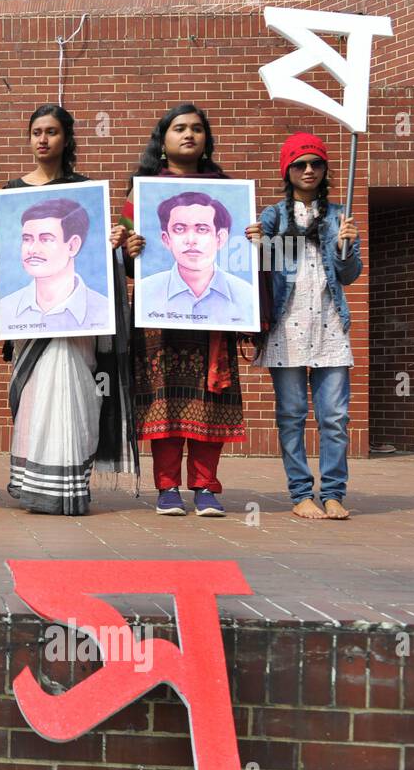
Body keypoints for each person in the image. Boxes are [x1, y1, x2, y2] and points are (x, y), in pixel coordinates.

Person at [2, 104, 137, 515]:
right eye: (36, 131)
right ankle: (33, 487)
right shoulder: (12, 192)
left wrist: (114, 244)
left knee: (74, 395)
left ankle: (69, 488)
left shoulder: (85, 192)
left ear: (66, 139)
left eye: (52, 132)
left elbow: (100, 260)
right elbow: (13, 260)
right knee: (36, 397)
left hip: (79, 324)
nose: (43, 139)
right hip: (29, 321)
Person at [119, 103, 244, 517]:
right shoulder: (141, 191)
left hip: (215, 317)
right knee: (165, 398)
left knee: (212, 396)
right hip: (160, 317)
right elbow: (129, 262)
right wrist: (129, 251)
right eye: (179, 128)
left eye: (196, 129)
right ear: (163, 139)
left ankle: (206, 487)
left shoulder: (226, 189)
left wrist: (253, 238)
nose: (188, 135)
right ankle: (167, 487)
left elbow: (241, 254)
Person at [245, 133, 361, 520]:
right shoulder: (274, 216)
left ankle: (333, 493)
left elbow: (348, 275)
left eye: (316, 163)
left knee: (334, 416)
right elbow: (262, 265)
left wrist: (347, 245)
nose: (309, 170)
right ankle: (300, 493)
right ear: (288, 171)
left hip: (329, 325)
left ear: (326, 169)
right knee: (292, 414)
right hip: (287, 328)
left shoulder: (338, 215)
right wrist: (259, 243)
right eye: (300, 164)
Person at [136, 191, 255, 327]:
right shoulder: (144, 292)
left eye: (202, 229)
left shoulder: (246, 296)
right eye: (179, 229)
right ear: (166, 239)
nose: (191, 240)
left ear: (220, 238)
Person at [0, 197, 111, 332]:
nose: (32, 249)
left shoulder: (104, 311)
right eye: (27, 239)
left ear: (72, 246)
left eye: (46, 239)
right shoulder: (4, 309)